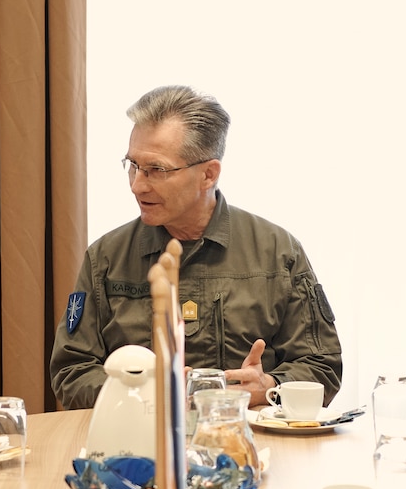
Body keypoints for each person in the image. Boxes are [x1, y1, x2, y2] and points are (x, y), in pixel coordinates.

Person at [50, 85, 342, 409]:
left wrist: (270, 388)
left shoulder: (278, 252)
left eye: (156, 170)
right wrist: (143, 391)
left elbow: (323, 366)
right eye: (132, 165)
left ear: (208, 174)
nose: (137, 184)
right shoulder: (105, 258)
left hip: (251, 448)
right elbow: (71, 372)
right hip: (142, 451)